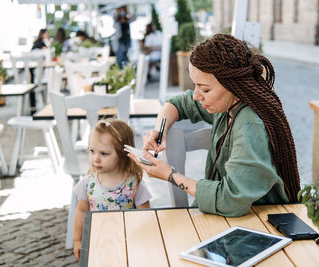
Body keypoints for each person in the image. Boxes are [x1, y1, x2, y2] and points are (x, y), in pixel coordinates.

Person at [128, 34, 301, 217]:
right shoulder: (227, 106)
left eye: (205, 89)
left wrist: (170, 175)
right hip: (229, 219)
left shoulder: (249, 126)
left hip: (258, 221)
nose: (196, 95)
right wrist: (159, 130)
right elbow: (176, 104)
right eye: (195, 85)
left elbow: (231, 200)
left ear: (233, 86)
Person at [72, 118, 151, 261]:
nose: (95, 158)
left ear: (122, 154)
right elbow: (81, 211)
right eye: (92, 151)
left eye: (104, 154)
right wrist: (78, 240)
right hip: (97, 242)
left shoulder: (134, 184)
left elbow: (145, 216)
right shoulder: (87, 183)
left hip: (128, 243)